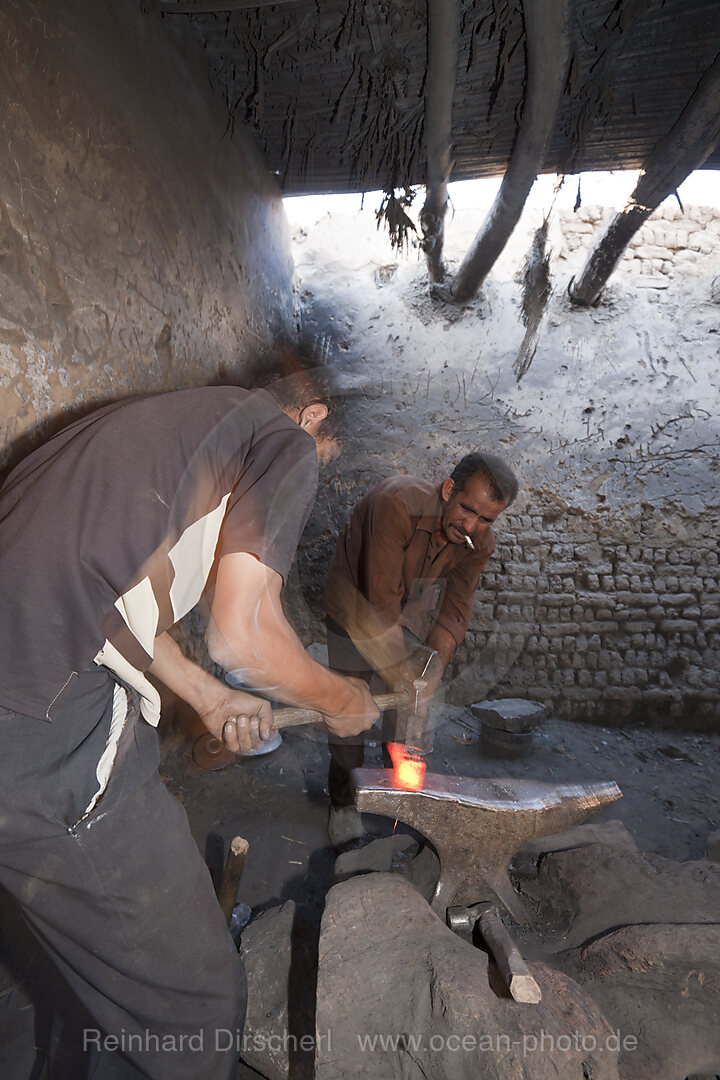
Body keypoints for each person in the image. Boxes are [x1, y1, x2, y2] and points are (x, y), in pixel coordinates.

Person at [0, 376, 378, 1078]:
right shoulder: (279, 436)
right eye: (322, 457)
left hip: (26, 692)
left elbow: (113, 602)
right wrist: (341, 698)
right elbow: (245, 636)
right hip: (39, 721)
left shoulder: (166, 431)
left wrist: (206, 695)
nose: (307, 472)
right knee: (192, 1008)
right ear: (313, 417)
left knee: (101, 987)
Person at [322, 452, 518, 849]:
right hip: (354, 606)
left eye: (486, 519)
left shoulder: (477, 542)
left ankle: (398, 800)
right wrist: (404, 675)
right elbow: (379, 604)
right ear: (449, 490)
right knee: (349, 711)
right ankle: (344, 803)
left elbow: (455, 611)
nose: (472, 526)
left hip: (408, 611)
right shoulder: (395, 504)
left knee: (410, 709)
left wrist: (430, 674)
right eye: (466, 510)